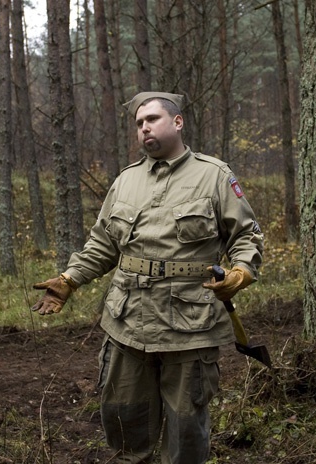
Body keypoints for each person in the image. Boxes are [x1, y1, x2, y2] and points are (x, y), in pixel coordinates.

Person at [31, 91, 263, 463]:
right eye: (139, 123)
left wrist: (241, 271)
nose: (144, 128)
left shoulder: (214, 176)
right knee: (123, 420)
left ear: (177, 122)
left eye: (152, 119)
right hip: (128, 322)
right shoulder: (126, 181)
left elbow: (247, 235)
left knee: (186, 431)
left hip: (190, 325)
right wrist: (69, 279)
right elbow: (103, 244)